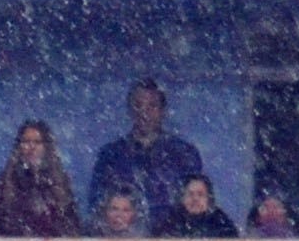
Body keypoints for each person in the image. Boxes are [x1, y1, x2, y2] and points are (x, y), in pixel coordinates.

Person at [83, 80, 209, 223]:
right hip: (123, 240)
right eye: (138, 105)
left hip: (173, 239)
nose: (144, 112)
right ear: (130, 110)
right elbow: (97, 204)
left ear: (163, 111)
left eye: (152, 106)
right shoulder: (111, 155)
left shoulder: (184, 154)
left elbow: (197, 203)